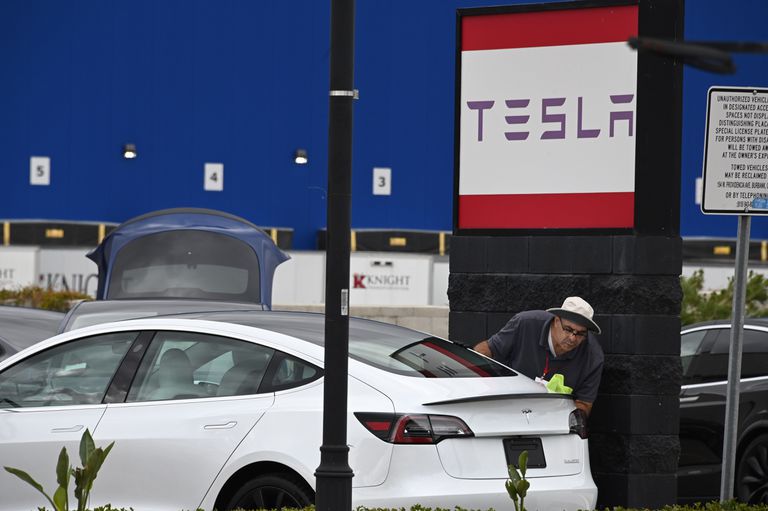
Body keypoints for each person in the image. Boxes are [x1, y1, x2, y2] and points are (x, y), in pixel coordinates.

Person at [473, 296, 604, 416]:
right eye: (568, 329)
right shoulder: (525, 323)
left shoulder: (593, 355)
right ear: (556, 320)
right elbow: (487, 349)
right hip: (508, 406)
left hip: (553, 418)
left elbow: (584, 404)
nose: (572, 338)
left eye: (580, 334)